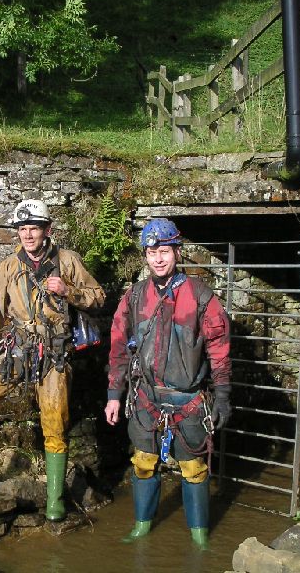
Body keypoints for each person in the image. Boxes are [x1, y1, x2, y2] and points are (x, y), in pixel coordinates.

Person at [0, 198, 106, 522]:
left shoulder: (68, 261)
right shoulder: (9, 267)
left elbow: (99, 297)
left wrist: (69, 291)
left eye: (33, 228)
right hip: (16, 350)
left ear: (47, 230)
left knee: (54, 424)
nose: (27, 235)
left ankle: (54, 500)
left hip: (53, 355)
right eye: (22, 229)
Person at [104, 218, 232, 548]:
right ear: (145, 256)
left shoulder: (202, 297)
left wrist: (222, 396)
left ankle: (200, 536)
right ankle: (143, 525)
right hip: (145, 397)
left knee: (193, 467)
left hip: (188, 400)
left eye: (164, 251)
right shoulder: (134, 298)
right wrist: (114, 394)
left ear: (177, 252)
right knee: (144, 464)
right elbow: (119, 345)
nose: (158, 258)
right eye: (151, 252)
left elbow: (219, 349)